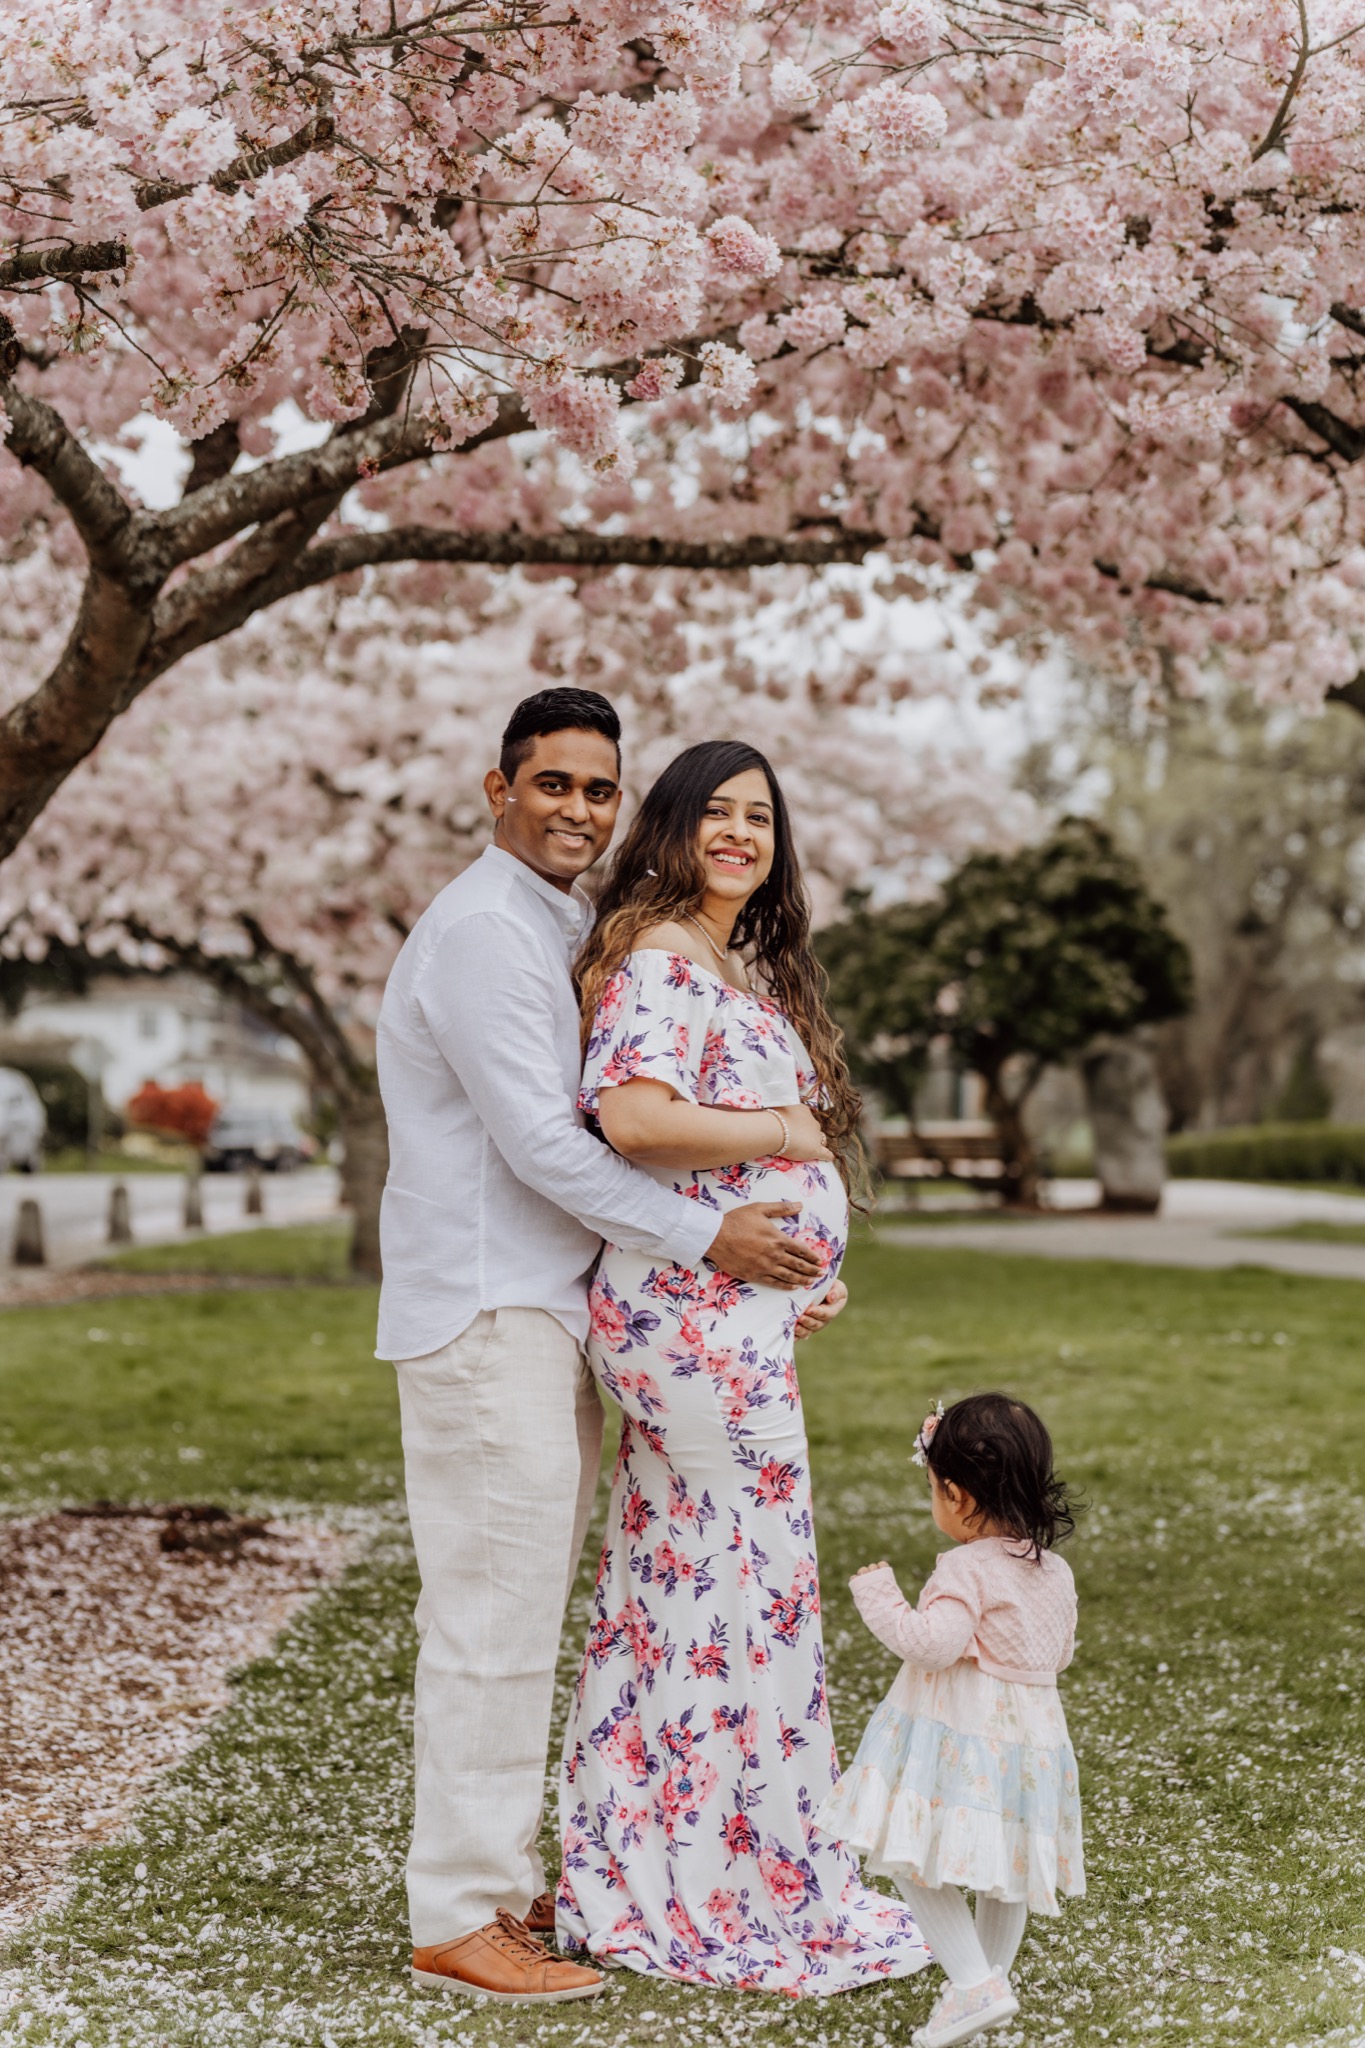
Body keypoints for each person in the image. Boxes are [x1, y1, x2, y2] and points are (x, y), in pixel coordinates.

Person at [375, 690, 840, 2006]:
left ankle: (503, 1881)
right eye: (551, 783)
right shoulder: (483, 931)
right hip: (487, 1309)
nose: (576, 809)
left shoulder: (558, 922)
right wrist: (714, 1240)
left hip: (549, 1306)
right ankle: (457, 1915)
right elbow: (547, 1141)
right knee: (490, 1615)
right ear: (498, 788)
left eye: (597, 788)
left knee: (524, 1606)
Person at [556, 738, 931, 1995]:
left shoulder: (721, 961)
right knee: (738, 1587)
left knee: (691, 1580)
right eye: (714, 811)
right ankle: (715, 1880)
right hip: (686, 1321)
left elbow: (719, 1160)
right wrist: (788, 1131)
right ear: (670, 826)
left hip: (720, 1314)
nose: (738, 833)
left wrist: (798, 1273)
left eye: (758, 817)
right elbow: (636, 1119)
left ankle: (669, 1857)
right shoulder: (665, 955)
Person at [817, 1392, 1085, 2048]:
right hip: (1033, 1744)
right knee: (1007, 1868)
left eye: (934, 1489)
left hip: (962, 1736)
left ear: (957, 1497)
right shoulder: (1054, 1570)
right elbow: (1060, 1653)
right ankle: (989, 1984)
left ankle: (972, 1985)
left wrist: (878, 1595)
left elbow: (932, 1645)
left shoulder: (966, 1568)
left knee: (908, 1851)